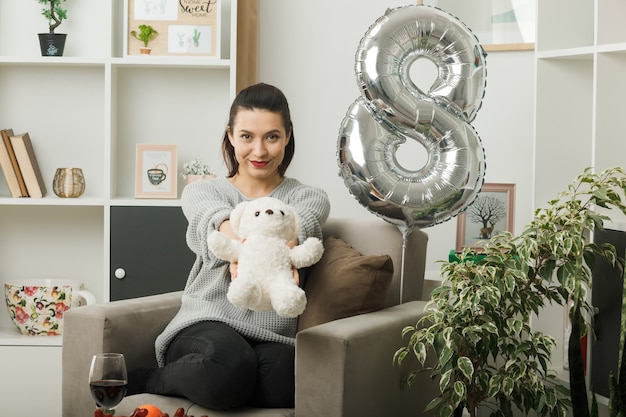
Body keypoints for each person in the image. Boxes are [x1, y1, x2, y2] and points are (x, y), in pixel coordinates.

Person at [127, 83, 330, 410]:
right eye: (247, 136)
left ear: (288, 136)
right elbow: (211, 218)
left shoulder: (307, 197)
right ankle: (150, 378)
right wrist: (238, 243)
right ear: (231, 136)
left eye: (272, 137)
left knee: (285, 381)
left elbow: (303, 223)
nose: (260, 151)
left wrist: (283, 240)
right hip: (206, 323)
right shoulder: (205, 191)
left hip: (271, 336)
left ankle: (222, 383)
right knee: (230, 366)